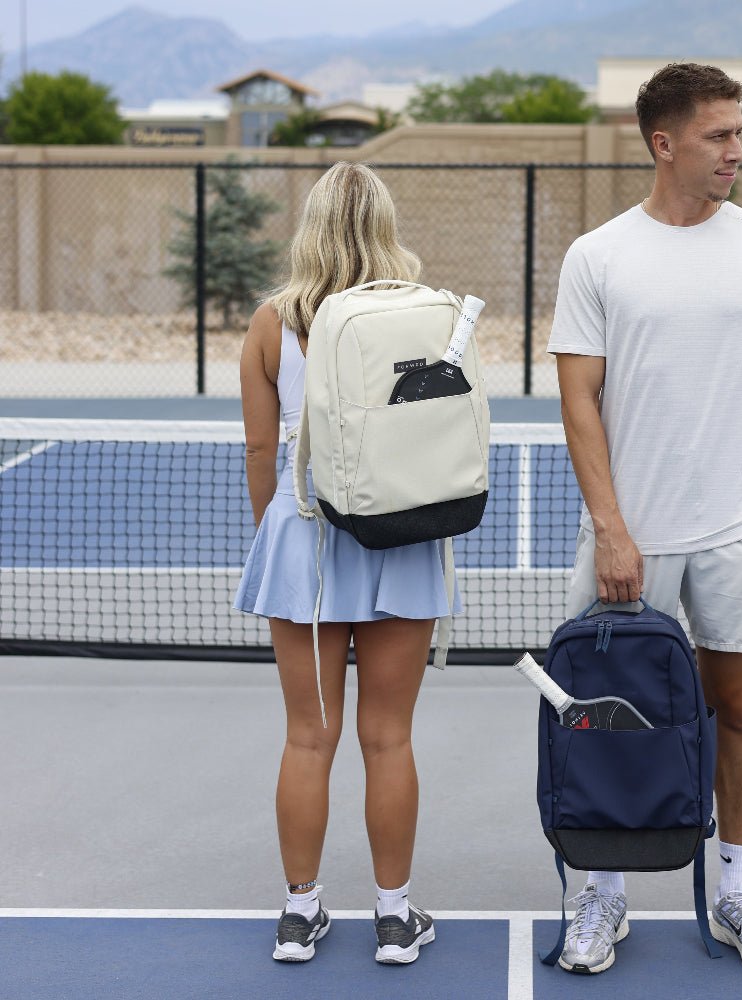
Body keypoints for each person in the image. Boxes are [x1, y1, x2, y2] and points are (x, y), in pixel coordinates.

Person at [547, 63, 742, 977]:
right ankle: (604, 898)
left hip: (739, 535)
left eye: (740, 133)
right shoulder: (598, 256)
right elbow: (578, 400)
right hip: (630, 542)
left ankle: (739, 890)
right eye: (720, 135)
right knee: (608, 722)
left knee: (736, 714)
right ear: (664, 143)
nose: (737, 149)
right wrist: (613, 530)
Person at [234, 162, 451, 966]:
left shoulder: (272, 322)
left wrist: (276, 532)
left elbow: (263, 447)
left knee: (307, 739)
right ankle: (393, 918)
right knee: (388, 739)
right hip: (403, 535)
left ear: (312, 226)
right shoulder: (428, 317)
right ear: (385, 224)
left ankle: (300, 914)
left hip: (306, 540)